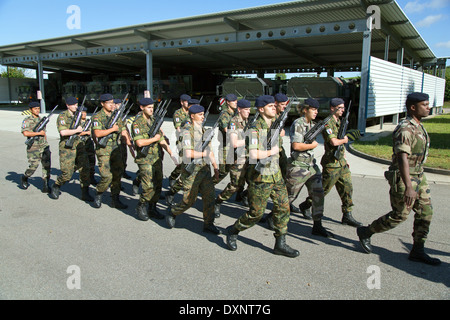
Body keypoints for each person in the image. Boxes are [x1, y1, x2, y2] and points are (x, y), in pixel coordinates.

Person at [357, 92, 441, 266]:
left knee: (426, 213)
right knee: (400, 214)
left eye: (428, 104)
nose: (428, 107)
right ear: (413, 107)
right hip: (404, 177)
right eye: (424, 105)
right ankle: (367, 231)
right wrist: (409, 186)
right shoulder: (405, 128)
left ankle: (418, 250)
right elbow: (402, 157)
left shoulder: (418, 125)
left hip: (419, 175)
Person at [225, 95, 299, 258]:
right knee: (256, 214)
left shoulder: (274, 125)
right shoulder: (254, 129)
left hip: (275, 175)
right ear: (260, 109)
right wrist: (271, 151)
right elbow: (253, 154)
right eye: (270, 105)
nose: (274, 108)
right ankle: (233, 230)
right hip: (260, 178)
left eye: (275, 105)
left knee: (283, 208)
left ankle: (280, 243)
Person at [300, 98, 362, 227]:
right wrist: (346, 139)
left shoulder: (340, 122)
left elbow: (339, 145)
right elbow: (334, 142)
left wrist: (344, 157)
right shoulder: (327, 123)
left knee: (347, 188)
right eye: (340, 108)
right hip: (331, 164)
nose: (343, 110)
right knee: (323, 190)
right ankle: (306, 204)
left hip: (341, 162)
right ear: (332, 108)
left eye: (344, 108)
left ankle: (347, 214)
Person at [166, 104, 221, 235]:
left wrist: (216, 168)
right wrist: (204, 155)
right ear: (192, 116)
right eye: (200, 115)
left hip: (204, 170)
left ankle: (209, 224)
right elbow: (188, 154)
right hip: (191, 172)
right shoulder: (186, 131)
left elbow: (210, 151)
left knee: (209, 197)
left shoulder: (203, 131)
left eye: (203, 114)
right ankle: (173, 211)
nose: (203, 117)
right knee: (188, 201)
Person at [285, 98, 333, 237]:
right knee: (289, 197)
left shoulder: (313, 124)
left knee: (318, 194)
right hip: (298, 166)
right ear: (305, 109)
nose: (316, 112)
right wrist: (313, 145)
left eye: (317, 109)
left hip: (311, 166)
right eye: (313, 109)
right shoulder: (298, 123)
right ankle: (273, 217)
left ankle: (317, 225)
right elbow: (296, 146)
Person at [91, 93, 133, 209]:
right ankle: (99, 193)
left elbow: (123, 131)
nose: (112, 105)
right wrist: (112, 129)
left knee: (117, 175)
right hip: (104, 150)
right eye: (109, 103)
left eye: (112, 103)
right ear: (102, 104)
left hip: (116, 149)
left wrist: (130, 145)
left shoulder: (117, 116)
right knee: (106, 176)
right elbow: (98, 133)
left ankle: (115, 199)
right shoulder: (97, 117)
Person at [49, 97, 93, 202]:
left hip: (79, 145)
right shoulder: (62, 116)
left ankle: (85, 192)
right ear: (68, 105)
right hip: (67, 147)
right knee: (67, 174)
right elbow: (63, 132)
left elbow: (83, 129)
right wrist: (76, 130)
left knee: (85, 168)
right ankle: (56, 185)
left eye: (76, 104)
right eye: (73, 105)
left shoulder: (78, 115)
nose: (75, 106)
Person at [214, 99, 251, 217]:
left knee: (254, 181)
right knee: (235, 185)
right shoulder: (233, 122)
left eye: (249, 110)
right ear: (239, 110)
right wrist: (249, 139)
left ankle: (252, 207)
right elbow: (234, 143)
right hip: (236, 157)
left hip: (247, 156)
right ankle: (218, 201)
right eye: (246, 109)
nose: (248, 112)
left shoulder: (247, 121)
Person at [131, 98, 166, 221]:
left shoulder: (154, 121)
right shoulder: (137, 123)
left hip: (156, 157)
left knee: (158, 184)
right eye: (149, 107)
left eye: (152, 107)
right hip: (145, 159)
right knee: (147, 187)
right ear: (142, 108)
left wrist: (171, 153)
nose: (152, 110)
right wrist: (154, 139)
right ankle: (141, 205)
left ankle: (153, 208)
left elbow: (160, 138)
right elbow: (140, 143)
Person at [20, 101, 51, 193]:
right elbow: (25, 133)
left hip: (44, 145)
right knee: (33, 166)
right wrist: (38, 133)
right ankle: (25, 177)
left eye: (38, 108)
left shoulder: (41, 119)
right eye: (35, 109)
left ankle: (46, 185)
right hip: (33, 146)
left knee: (46, 166)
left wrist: (45, 141)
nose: (37, 110)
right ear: (30, 110)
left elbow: (44, 133)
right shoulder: (27, 120)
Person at [168, 94, 191, 186]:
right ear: (182, 102)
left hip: (191, 140)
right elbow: (178, 128)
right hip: (182, 141)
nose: (188, 103)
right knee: (183, 162)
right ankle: (173, 176)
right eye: (186, 101)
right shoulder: (178, 113)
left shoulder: (192, 112)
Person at [214, 93, 238, 184]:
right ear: (228, 102)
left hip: (234, 146)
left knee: (237, 170)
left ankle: (238, 191)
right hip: (226, 147)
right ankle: (207, 185)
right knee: (223, 172)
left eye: (236, 101)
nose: (235, 102)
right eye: (233, 101)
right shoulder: (225, 114)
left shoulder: (235, 114)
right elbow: (226, 130)